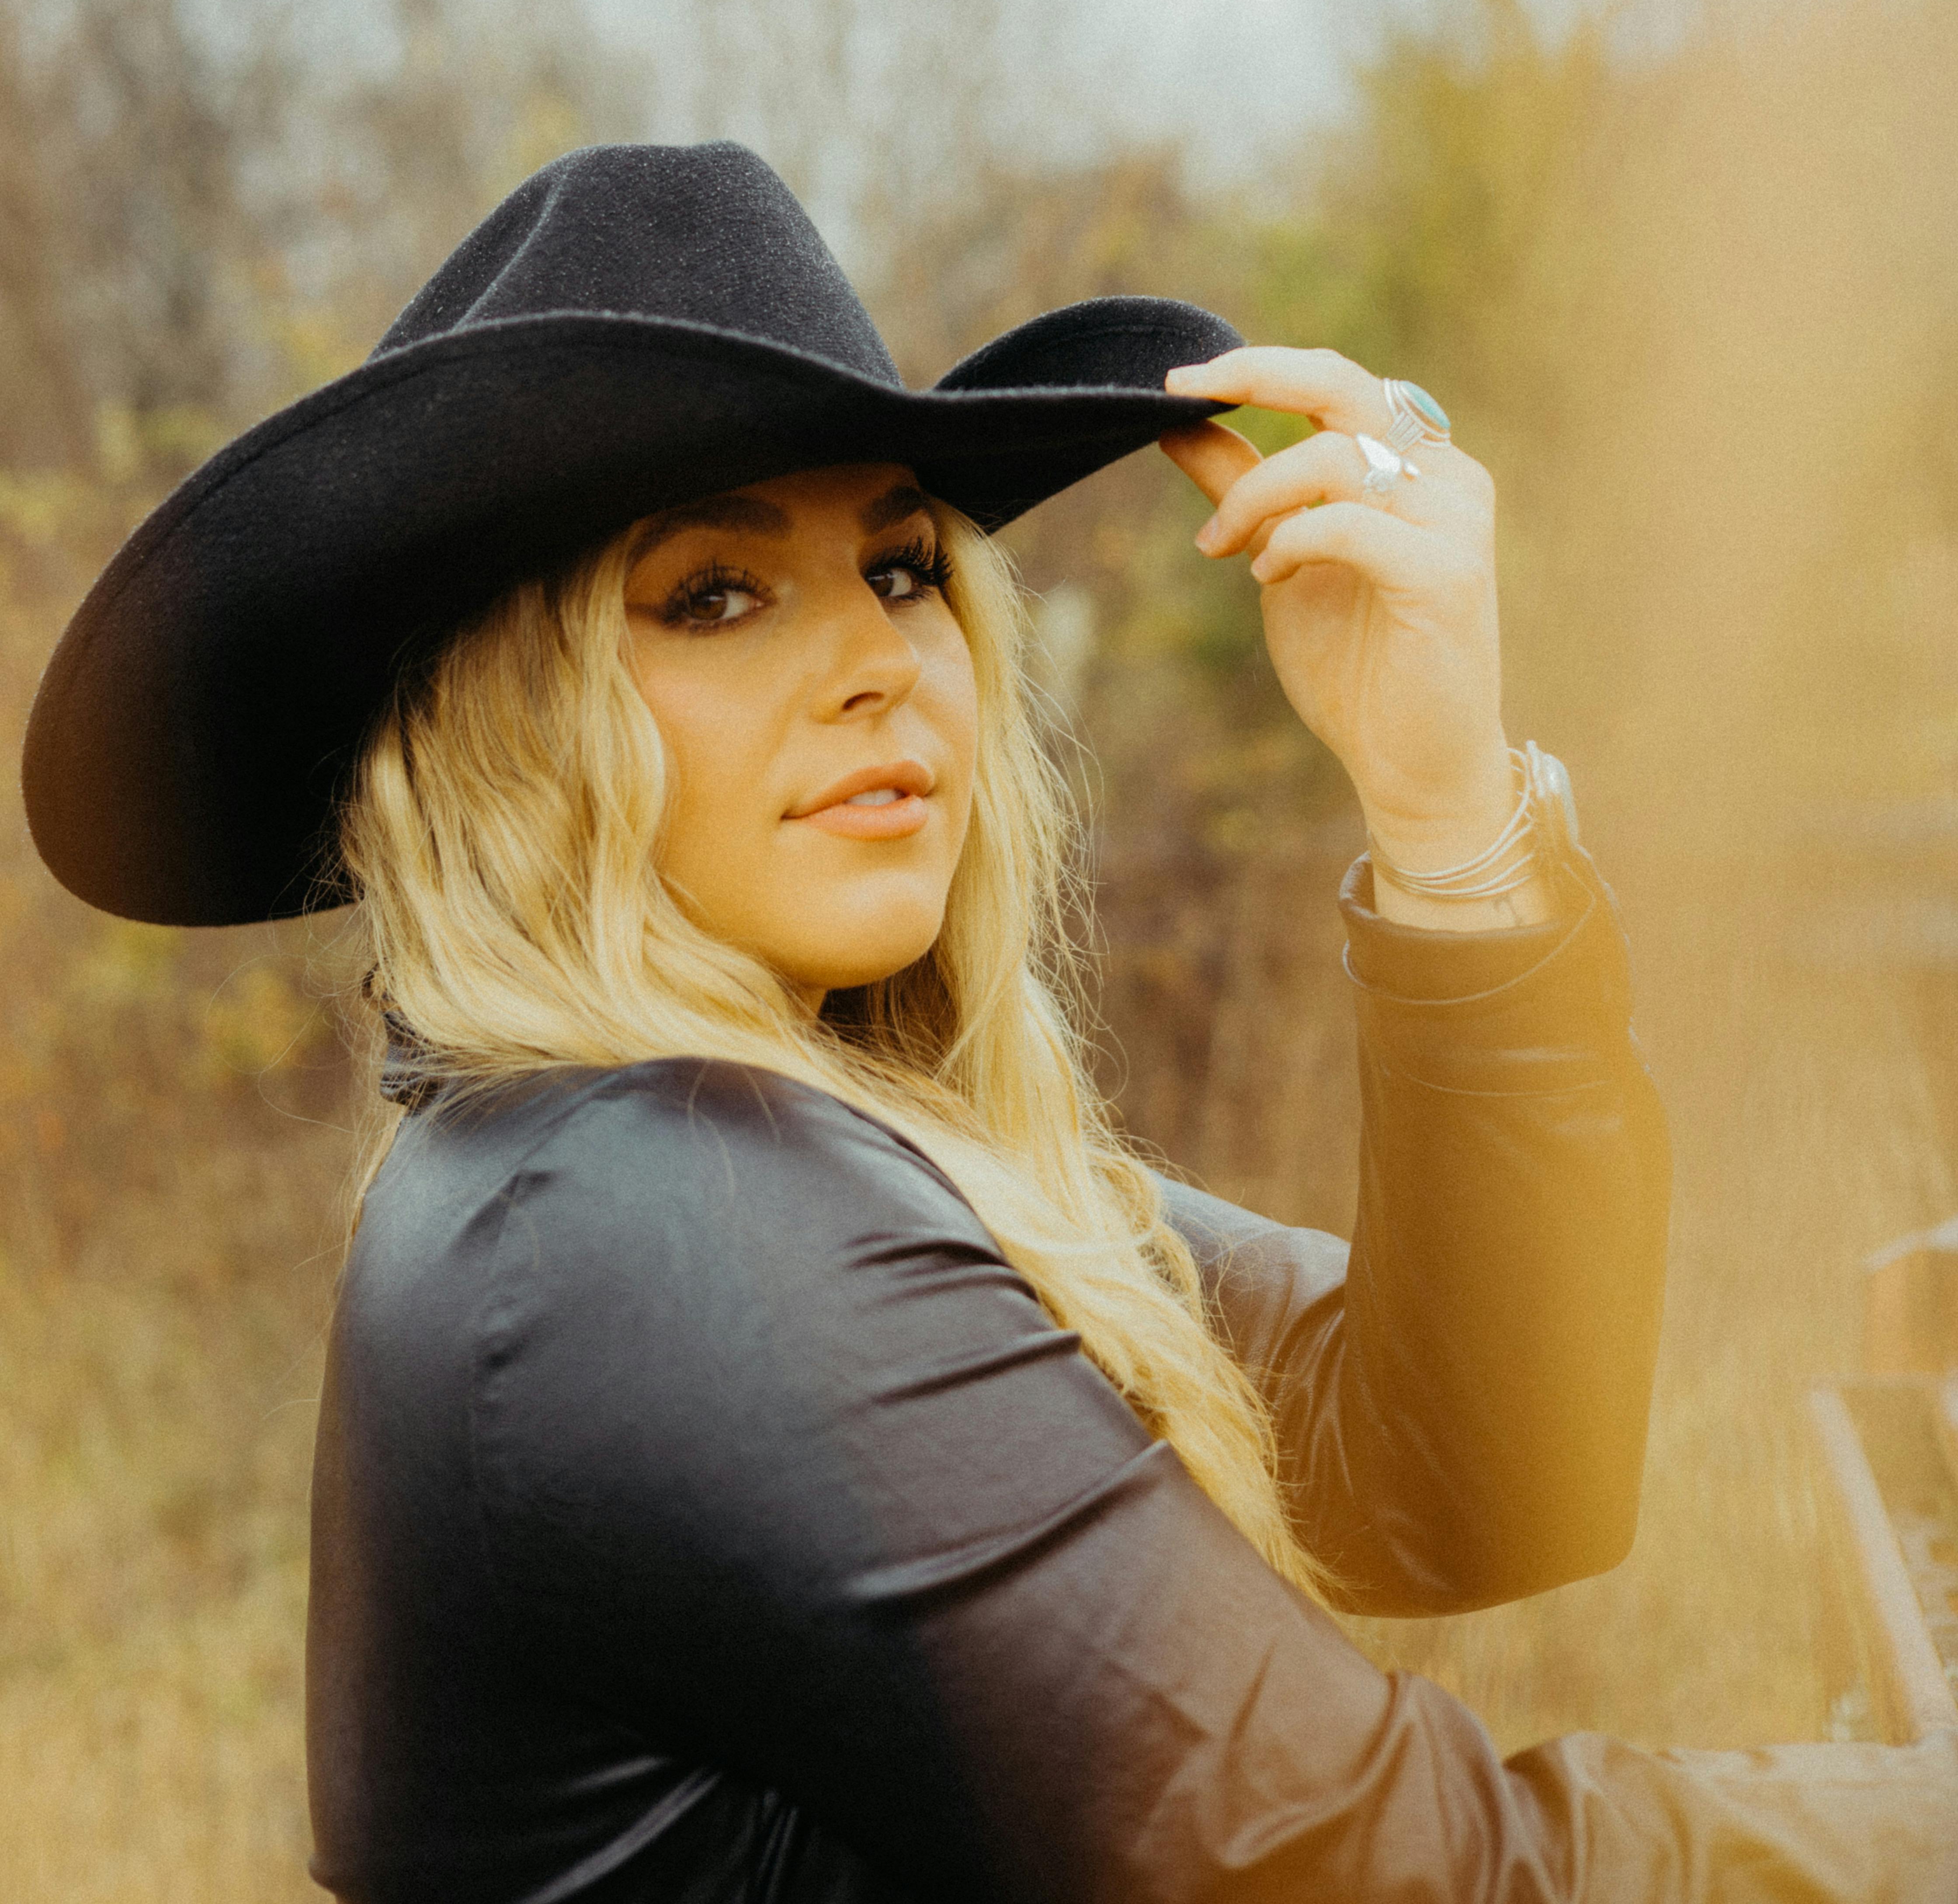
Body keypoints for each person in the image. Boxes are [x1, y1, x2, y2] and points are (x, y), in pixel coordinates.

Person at [22, 141, 1956, 1903]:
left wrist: (1448, 822)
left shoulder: (763, 1148)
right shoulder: (642, 1223)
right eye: (711, 594)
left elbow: (1477, 1468)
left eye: (896, 565)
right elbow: (1393, 1879)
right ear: (504, 733)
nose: (877, 661)